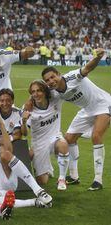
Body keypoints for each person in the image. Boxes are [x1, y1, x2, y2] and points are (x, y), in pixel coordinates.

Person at [42, 48, 110, 191]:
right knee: (69, 139)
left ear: (59, 75)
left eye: (53, 77)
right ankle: (74, 176)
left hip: (103, 103)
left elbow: (87, 68)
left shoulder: (72, 76)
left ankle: (98, 180)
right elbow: (40, 97)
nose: (51, 81)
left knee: (96, 136)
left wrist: (98, 57)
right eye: (47, 80)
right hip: (86, 110)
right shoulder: (54, 92)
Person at [21, 80, 69, 190]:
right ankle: (44, 165)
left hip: (55, 137)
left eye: (39, 91)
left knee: (63, 144)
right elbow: (24, 133)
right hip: (39, 144)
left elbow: (60, 85)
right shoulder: (28, 108)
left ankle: (62, 179)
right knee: (42, 181)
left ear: (45, 91)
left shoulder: (55, 99)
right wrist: (23, 121)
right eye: (33, 92)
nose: (36, 94)